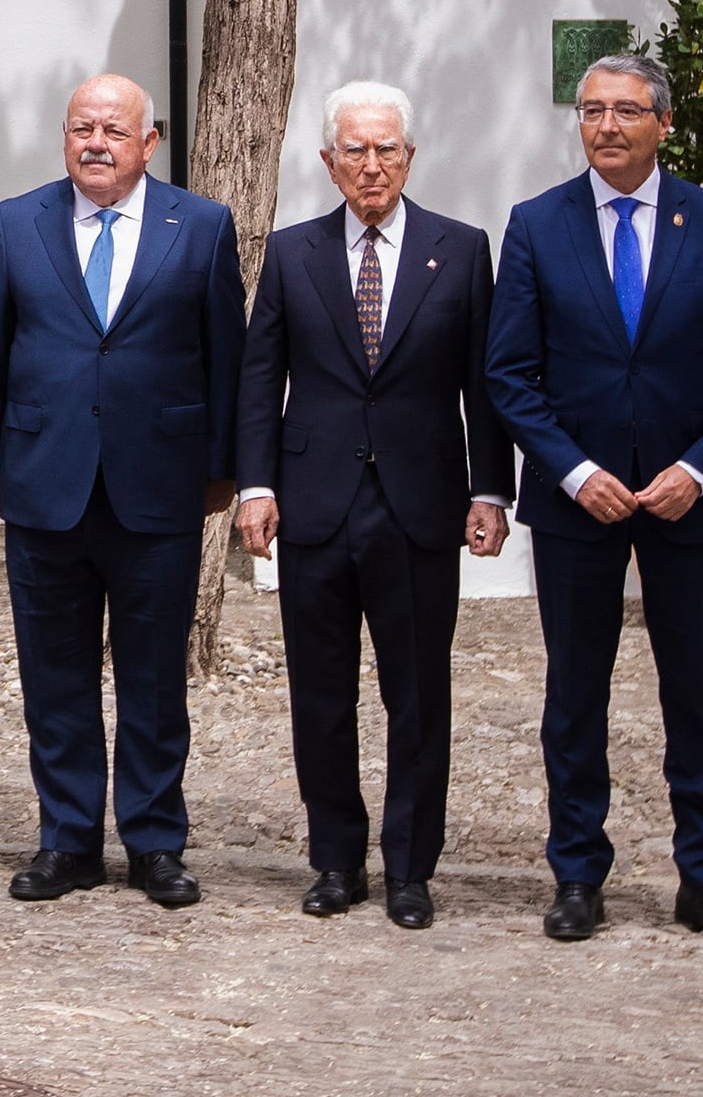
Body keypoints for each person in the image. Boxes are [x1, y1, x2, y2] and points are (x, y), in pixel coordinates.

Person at [484, 53, 703, 950]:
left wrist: (696, 470)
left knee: (695, 694)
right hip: (579, 502)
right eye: (590, 112)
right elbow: (508, 371)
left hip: (688, 500)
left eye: (624, 112)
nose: (605, 127)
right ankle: (577, 873)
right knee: (575, 695)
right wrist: (573, 472)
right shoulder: (537, 225)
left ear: (662, 123)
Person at [235, 81, 512, 930]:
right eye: (353, 150)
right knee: (321, 696)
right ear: (327, 162)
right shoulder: (291, 253)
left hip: (420, 505)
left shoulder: (460, 251)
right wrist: (254, 485)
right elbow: (259, 377)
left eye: (385, 148)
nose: (371, 165)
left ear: (409, 155)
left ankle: (408, 869)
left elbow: (484, 385)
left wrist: (489, 489)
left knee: (417, 696)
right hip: (314, 506)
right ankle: (334, 860)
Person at [0, 72, 243, 909]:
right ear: (64, 137)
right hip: (43, 483)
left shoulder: (198, 227)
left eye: (113, 131)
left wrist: (222, 471)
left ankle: (155, 841)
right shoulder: (17, 223)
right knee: (54, 677)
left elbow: (223, 357)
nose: (95, 143)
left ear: (148, 142)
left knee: (153, 679)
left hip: (157, 489)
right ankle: (68, 840)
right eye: (80, 128)